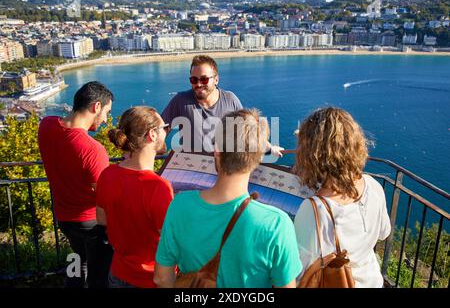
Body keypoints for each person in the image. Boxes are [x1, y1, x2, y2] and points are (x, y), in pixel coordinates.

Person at [154, 109, 302, 288]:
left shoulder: (180, 204)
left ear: (217, 151)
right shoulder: (276, 223)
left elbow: (161, 278)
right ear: (257, 159)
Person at [293, 107, 391, 288]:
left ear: (312, 154)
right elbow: (384, 232)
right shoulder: (373, 186)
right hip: (373, 281)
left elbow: (298, 272)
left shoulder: (314, 209)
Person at [38, 81, 114, 288]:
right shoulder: (92, 150)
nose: (106, 120)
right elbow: (104, 196)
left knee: (78, 268)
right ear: (96, 107)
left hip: (64, 217)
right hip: (91, 223)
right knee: (100, 277)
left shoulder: (46, 125)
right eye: (106, 112)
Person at [95, 106, 173, 288]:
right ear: (152, 134)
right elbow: (170, 242)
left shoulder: (107, 174)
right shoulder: (158, 187)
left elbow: (102, 219)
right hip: (150, 278)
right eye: (165, 128)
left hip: (118, 271)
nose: (167, 132)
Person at [161, 55, 283, 157]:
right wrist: (157, 145)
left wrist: (269, 148)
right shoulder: (180, 100)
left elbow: (248, 131)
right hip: (192, 170)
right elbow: (161, 128)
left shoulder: (230, 100)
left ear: (216, 79)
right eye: (194, 80)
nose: (198, 84)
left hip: (222, 170)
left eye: (204, 80)